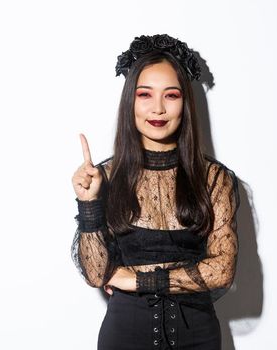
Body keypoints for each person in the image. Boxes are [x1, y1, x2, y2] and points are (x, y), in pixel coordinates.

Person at [70, 34, 240, 350]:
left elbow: (223, 270)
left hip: (198, 338)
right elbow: (95, 274)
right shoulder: (105, 177)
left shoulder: (214, 179)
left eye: (171, 95)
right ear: (130, 102)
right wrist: (89, 204)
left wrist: (136, 280)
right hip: (124, 337)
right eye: (145, 94)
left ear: (185, 103)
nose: (158, 108)